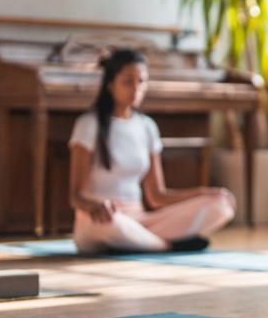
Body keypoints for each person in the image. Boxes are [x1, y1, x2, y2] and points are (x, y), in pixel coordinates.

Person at [68, 49, 236, 254]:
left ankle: (144, 242)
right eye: (128, 82)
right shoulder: (88, 124)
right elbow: (76, 196)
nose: (136, 89)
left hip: (141, 221)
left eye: (142, 81)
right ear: (110, 85)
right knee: (113, 225)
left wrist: (204, 192)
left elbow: (157, 196)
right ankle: (167, 245)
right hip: (101, 221)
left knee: (221, 204)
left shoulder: (147, 126)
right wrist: (96, 206)